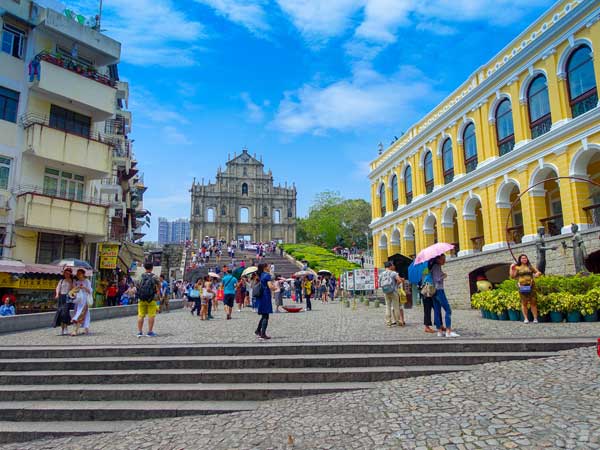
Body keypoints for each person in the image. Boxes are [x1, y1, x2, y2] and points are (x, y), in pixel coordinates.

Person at [429, 255, 459, 337]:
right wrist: (444, 275)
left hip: (433, 291)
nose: (444, 261)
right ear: (438, 259)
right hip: (439, 290)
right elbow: (437, 279)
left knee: (437, 311)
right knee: (448, 310)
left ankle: (439, 331)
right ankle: (448, 331)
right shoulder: (437, 267)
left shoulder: (432, 266)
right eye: (443, 259)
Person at [510, 254, 541, 324]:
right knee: (524, 303)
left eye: (525, 258)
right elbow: (512, 276)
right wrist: (511, 268)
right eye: (522, 258)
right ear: (520, 260)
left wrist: (537, 274)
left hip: (531, 286)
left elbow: (538, 272)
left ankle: (535, 318)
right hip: (522, 286)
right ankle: (526, 318)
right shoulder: (517, 267)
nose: (524, 259)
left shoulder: (530, 267)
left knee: (533, 302)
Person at [136, 263, 160, 337]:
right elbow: (159, 286)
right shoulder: (155, 276)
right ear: (152, 268)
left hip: (142, 299)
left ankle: (140, 332)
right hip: (152, 298)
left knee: (141, 315)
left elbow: (137, 286)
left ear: (144, 268)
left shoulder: (140, 276)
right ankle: (150, 332)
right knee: (151, 315)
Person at [378, 261, 405, 327]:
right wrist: (396, 285)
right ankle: (398, 321)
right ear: (390, 266)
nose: (393, 266)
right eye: (392, 265)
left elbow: (379, 284)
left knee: (388, 307)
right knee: (396, 307)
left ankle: (388, 323)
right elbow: (399, 280)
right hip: (394, 292)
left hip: (386, 292)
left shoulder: (381, 274)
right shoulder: (393, 273)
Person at [254, 263, 275, 339]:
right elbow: (270, 286)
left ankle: (258, 330)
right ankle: (263, 334)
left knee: (263, 315)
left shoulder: (261, 275)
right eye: (268, 266)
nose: (269, 267)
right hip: (265, 296)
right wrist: (274, 287)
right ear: (265, 268)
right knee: (266, 316)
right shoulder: (267, 275)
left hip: (261, 296)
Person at [71, 269, 92, 336]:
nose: (78, 275)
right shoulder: (77, 282)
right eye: (77, 273)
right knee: (83, 314)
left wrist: (84, 288)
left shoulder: (87, 281)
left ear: (83, 274)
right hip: (78, 301)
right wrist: (76, 288)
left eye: (80, 273)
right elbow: (74, 291)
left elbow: (90, 291)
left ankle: (75, 330)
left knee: (81, 314)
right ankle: (86, 328)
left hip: (84, 301)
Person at [53, 268, 73, 335]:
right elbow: (58, 288)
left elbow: (73, 289)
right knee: (60, 313)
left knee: (65, 313)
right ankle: (62, 329)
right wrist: (57, 294)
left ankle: (66, 328)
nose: (66, 275)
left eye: (68, 273)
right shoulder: (61, 280)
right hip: (61, 297)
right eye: (65, 273)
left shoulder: (72, 281)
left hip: (67, 297)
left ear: (70, 274)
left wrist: (70, 283)